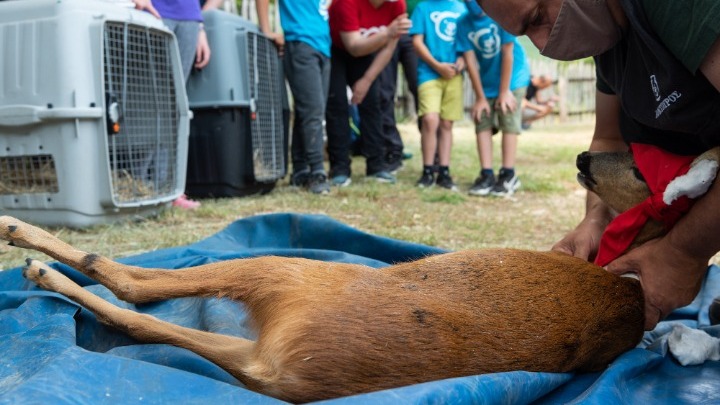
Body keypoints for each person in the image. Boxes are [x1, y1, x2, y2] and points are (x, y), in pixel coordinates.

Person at [475, 0, 720, 330]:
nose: (543, 46)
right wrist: (597, 218)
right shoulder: (610, 40)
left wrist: (682, 253)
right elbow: (608, 140)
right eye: (524, 34)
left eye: (536, 18)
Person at [132, 0, 211, 209]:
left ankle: (168, 189)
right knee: (147, 101)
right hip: (154, 12)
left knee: (174, 103)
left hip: (188, 17)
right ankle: (136, 185)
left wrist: (200, 27)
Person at [325, 0, 411, 186]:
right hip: (336, 49)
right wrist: (388, 32)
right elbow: (353, 46)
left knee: (373, 103)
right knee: (337, 105)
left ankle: (376, 166)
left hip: (367, 51)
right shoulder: (345, 3)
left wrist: (367, 80)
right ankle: (339, 168)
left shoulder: (398, 5)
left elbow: (389, 48)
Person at [256, 0, 332, 194]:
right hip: (301, 43)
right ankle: (317, 172)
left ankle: (300, 169)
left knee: (309, 109)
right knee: (313, 111)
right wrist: (266, 30)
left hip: (323, 45)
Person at [458, 0, 530, 197]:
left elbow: (508, 53)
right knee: (482, 119)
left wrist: (505, 91)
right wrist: (480, 97)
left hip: (513, 78)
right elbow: (470, 61)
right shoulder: (463, 23)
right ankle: (486, 174)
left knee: (507, 115)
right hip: (487, 81)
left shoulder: (501, 15)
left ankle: (508, 174)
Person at [410, 0, 467, 190]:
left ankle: (444, 171)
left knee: (446, 123)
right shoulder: (422, 8)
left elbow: (465, 44)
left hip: (453, 74)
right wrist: (437, 66)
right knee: (430, 120)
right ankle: (427, 170)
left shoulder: (460, 8)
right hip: (428, 73)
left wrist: (461, 61)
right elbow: (416, 41)